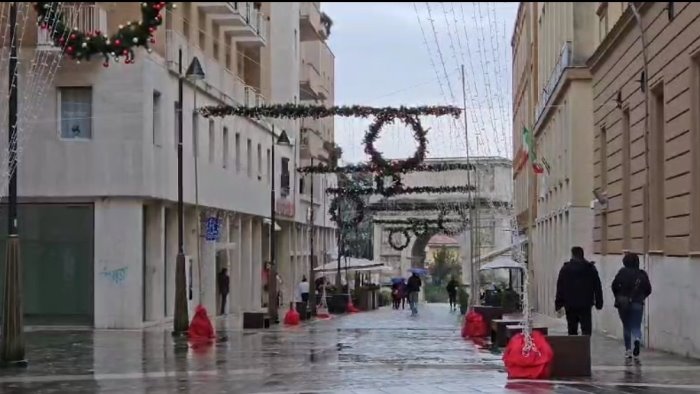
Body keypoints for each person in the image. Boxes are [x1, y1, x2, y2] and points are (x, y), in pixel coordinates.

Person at [555, 246, 604, 336]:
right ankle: (585, 348)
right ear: (582, 255)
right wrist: (599, 302)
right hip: (585, 304)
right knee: (586, 330)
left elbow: (560, 287)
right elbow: (597, 286)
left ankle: (574, 349)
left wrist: (558, 304)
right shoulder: (590, 268)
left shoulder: (565, 269)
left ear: (572, 255)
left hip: (570, 305)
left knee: (572, 330)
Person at [612, 252, 652, 362]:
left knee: (626, 326)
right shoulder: (642, 274)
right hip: (637, 303)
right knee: (636, 325)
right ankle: (637, 339)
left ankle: (628, 351)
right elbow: (648, 289)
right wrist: (641, 297)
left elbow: (614, 285)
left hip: (623, 303)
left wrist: (618, 296)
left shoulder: (622, 272)